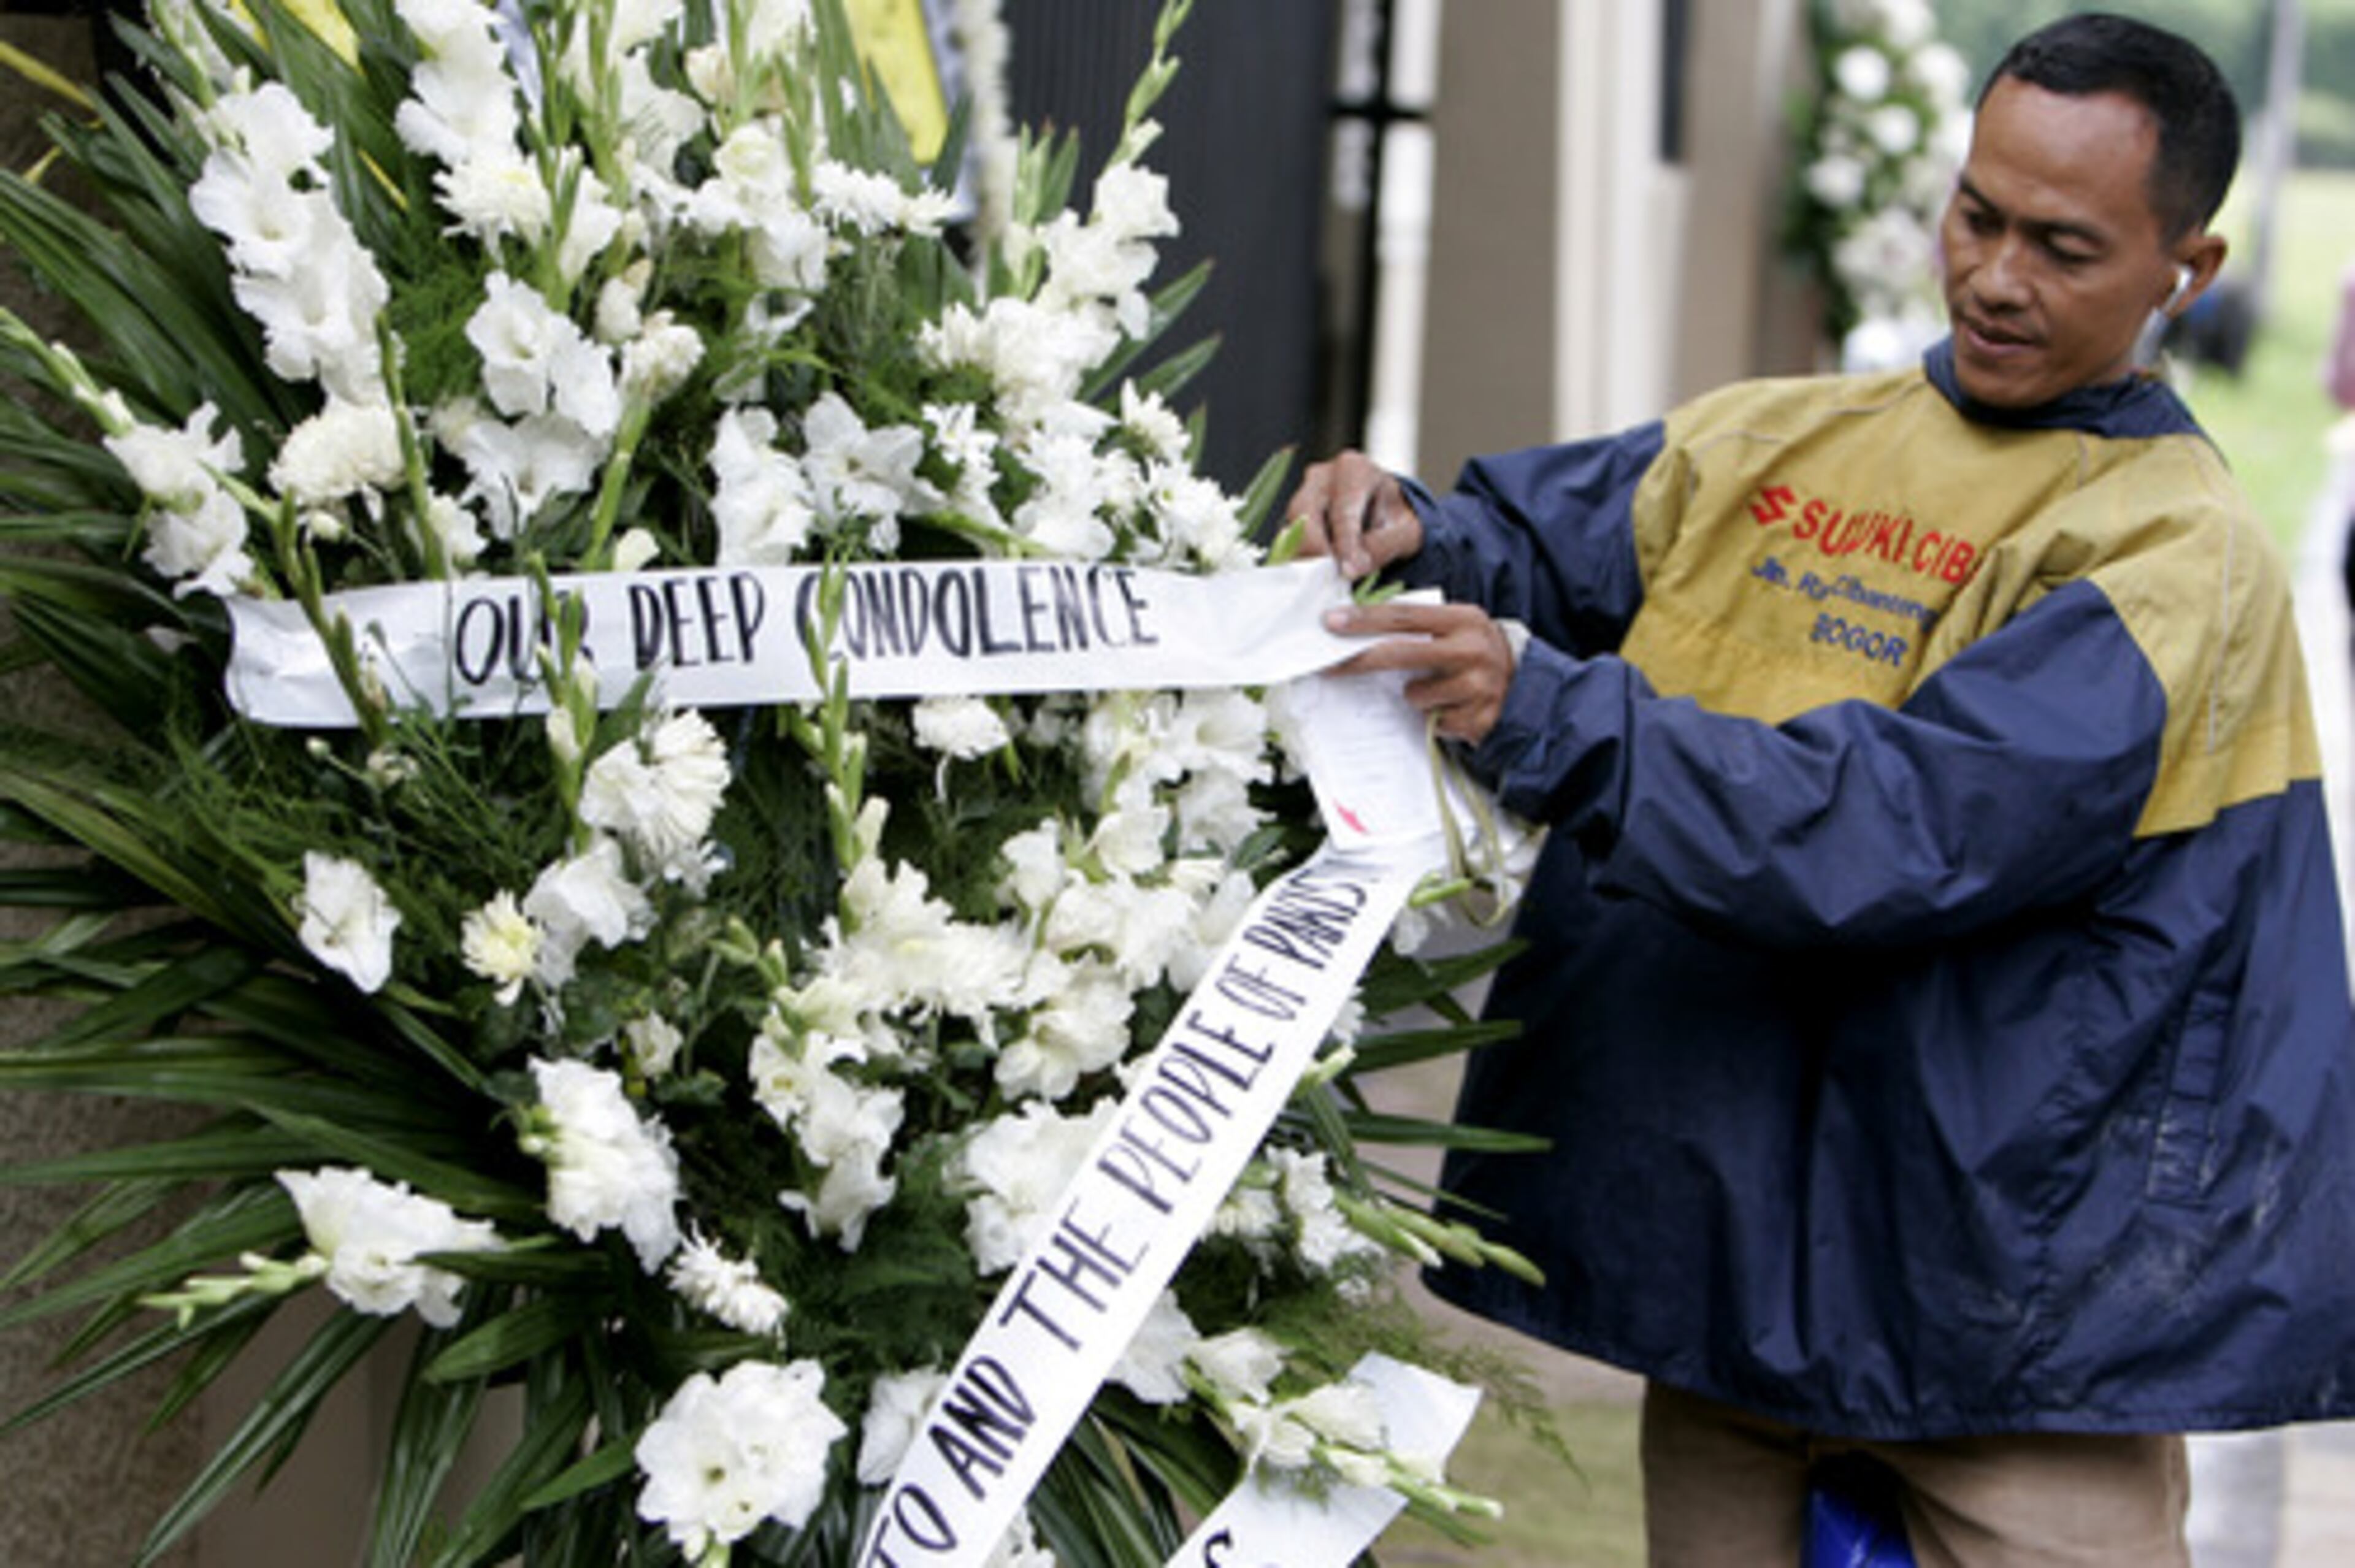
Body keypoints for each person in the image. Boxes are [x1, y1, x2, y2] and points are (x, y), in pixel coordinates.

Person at [1287, 14, 2355, 1568]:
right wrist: (1406, 539)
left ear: (2186, 271)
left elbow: (1900, 826)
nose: (1995, 276)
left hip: (2008, 1342)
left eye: (2063, 246)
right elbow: (1533, 542)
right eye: (1978, 215)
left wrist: (1550, 708)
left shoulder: (2177, 558)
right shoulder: (1776, 438)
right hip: (1732, 1296)